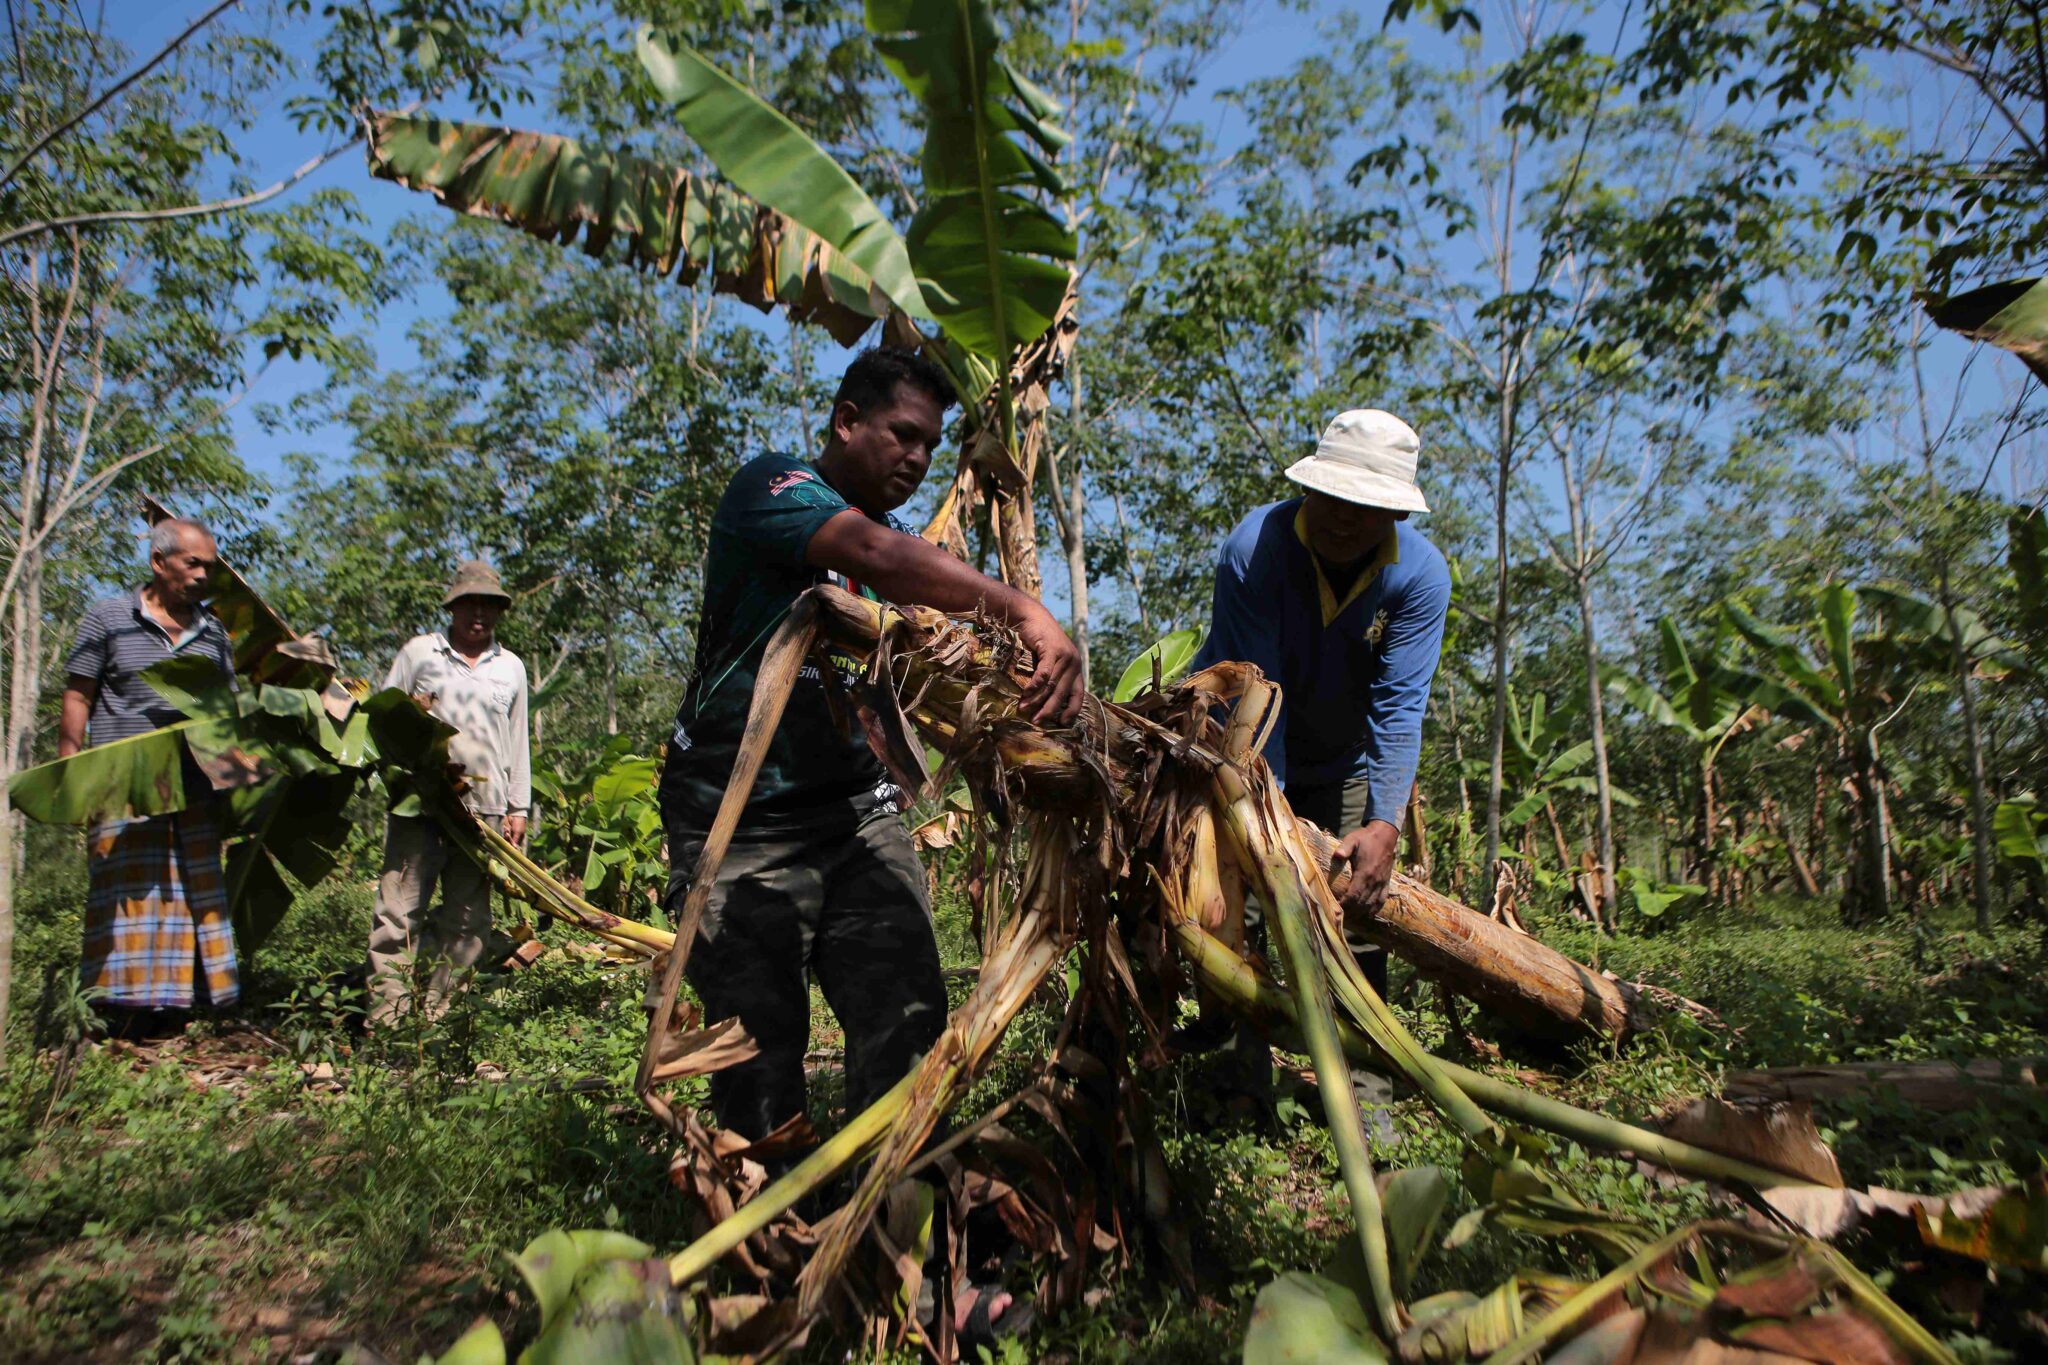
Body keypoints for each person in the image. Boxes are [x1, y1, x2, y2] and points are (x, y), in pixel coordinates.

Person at [657, 347, 1081, 1339]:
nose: (917, 459)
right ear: (845, 420)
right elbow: (881, 562)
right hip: (736, 827)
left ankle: (918, 1264)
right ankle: (776, 1278)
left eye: (931, 445)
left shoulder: (893, 551)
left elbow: (902, 666)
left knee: (906, 1028)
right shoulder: (776, 490)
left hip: (851, 821)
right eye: (903, 435)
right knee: (756, 1061)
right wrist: (1020, 604)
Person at [1193, 408, 1451, 1140]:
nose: (1346, 519)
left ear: (1395, 511)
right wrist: (1267, 822)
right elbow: (1252, 686)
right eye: (1334, 498)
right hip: (1244, 750)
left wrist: (1384, 822)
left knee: (1357, 913)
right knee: (1240, 911)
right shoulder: (1256, 550)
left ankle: (1366, 1092)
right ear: (1310, 488)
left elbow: (1400, 706)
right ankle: (1238, 1085)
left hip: (1343, 763)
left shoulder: (1420, 576)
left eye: (1367, 508)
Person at [59, 516, 238, 1039]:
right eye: (192, 563)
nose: (204, 575)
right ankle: (118, 1008)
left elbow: (224, 713)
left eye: (210, 565)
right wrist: (70, 767)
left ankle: (176, 1010)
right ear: (158, 563)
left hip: (194, 786)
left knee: (189, 893)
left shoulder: (215, 633)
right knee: (130, 892)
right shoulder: (108, 618)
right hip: (121, 782)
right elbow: (77, 694)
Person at [366, 560, 531, 1027]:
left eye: (488, 605)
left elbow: (517, 740)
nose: (478, 613)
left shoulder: (511, 668)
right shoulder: (421, 653)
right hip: (421, 803)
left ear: (499, 611)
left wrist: (519, 806)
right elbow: (384, 719)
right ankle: (389, 1021)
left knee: (467, 919)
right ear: (453, 606)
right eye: (469, 603)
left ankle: (443, 1019)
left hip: (484, 812)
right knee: (399, 911)